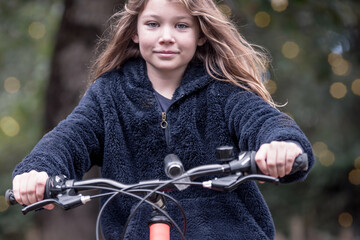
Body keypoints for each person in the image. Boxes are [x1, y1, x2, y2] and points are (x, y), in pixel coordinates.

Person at [12, 0, 314, 239]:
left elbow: (261, 120)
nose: (166, 37)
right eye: (153, 24)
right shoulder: (109, 94)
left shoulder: (223, 91)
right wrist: (39, 170)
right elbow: (70, 138)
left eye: (181, 25)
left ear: (199, 35)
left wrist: (281, 144)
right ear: (135, 31)